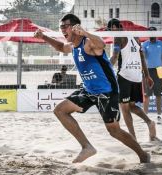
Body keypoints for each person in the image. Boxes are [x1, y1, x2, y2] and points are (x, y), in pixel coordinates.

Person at [34, 14, 150, 163]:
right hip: (88, 90)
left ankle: (142, 154)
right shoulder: (72, 45)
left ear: (75, 27)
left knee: (114, 131)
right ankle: (87, 147)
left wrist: (86, 32)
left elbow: (101, 44)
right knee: (60, 110)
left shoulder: (87, 42)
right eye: (60, 26)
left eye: (65, 26)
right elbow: (60, 47)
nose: (62, 29)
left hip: (106, 91)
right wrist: (43, 37)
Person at [108, 19, 156, 140]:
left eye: (111, 29)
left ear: (115, 27)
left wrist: (104, 68)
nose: (111, 32)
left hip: (125, 76)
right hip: (137, 76)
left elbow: (115, 56)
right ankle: (150, 122)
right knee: (131, 106)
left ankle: (133, 138)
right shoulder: (136, 37)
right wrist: (147, 75)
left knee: (124, 109)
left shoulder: (118, 37)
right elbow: (142, 57)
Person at [142, 27, 162, 122]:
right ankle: (145, 116)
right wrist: (142, 52)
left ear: (156, 33)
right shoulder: (144, 44)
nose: (151, 35)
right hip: (147, 71)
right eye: (149, 33)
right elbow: (143, 57)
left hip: (159, 70)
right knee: (146, 95)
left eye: (153, 33)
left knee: (158, 94)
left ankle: (159, 115)